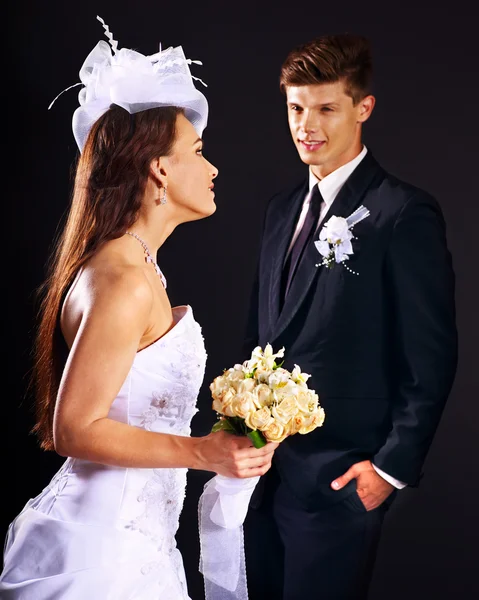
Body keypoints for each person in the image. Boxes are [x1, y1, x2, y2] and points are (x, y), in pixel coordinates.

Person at [0, 17, 277, 600]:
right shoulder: (122, 278)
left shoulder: (137, 265)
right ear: (159, 169)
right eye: (199, 152)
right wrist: (203, 452)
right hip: (104, 555)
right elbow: (74, 428)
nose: (214, 168)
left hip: (144, 546)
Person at [243, 33, 458, 600]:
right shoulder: (281, 209)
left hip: (339, 480)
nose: (305, 125)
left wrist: (386, 472)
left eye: (325, 108)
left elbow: (430, 358)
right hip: (262, 478)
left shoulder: (402, 213)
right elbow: (262, 335)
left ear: (363, 109)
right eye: (295, 107)